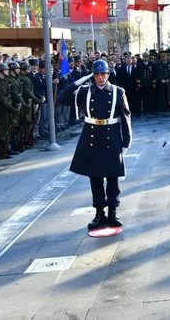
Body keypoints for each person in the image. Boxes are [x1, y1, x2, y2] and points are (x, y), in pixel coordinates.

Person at [57, 60, 132, 230]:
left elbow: (126, 117)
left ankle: (112, 212)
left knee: (113, 176)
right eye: (97, 74)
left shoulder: (118, 92)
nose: (100, 77)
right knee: (95, 177)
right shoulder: (84, 91)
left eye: (103, 74)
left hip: (111, 134)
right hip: (91, 134)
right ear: (93, 75)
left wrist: (126, 141)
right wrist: (79, 81)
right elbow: (61, 98)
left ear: (108, 74)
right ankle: (99, 213)